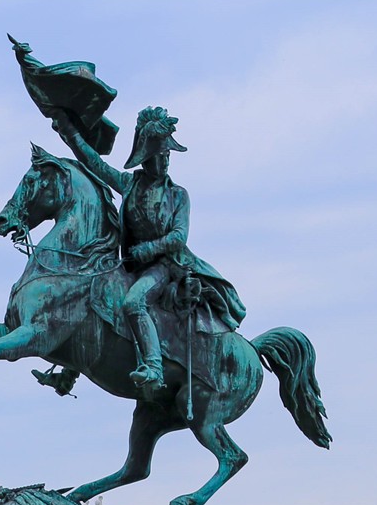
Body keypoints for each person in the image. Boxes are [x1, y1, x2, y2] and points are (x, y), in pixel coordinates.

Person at [46, 92, 245, 396]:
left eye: (167, 155)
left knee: (133, 302)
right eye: (160, 156)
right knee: (92, 294)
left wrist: (147, 249)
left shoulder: (178, 195)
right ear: (146, 157)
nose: (165, 161)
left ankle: (153, 366)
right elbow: (95, 164)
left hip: (165, 267)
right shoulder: (131, 185)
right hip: (131, 266)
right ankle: (68, 373)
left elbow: (179, 236)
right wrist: (69, 133)